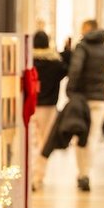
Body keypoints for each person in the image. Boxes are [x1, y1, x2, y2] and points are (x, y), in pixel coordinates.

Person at [65, 19, 104, 192]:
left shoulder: (82, 47)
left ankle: (82, 173)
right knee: (92, 137)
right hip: (100, 99)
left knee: (79, 136)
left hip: (82, 98)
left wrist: (70, 91)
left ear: (87, 29)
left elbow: (75, 70)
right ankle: (86, 173)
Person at [30, 31, 67, 191]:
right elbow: (67, 67)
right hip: (49, 108)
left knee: (31, 141)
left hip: (31, 106)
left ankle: (30, 174)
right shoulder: (55, 63)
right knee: (45, 143)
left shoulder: (28, 62)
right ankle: (38, 176)